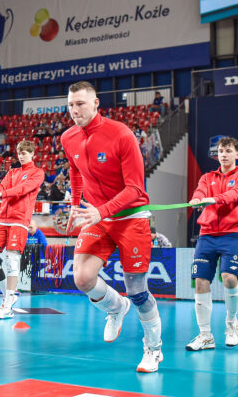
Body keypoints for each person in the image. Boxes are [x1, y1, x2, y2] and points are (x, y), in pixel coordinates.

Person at [61, 81, 163, 373]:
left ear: (96, 103)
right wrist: (75, 205)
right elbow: (75, 171)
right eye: (70, 105)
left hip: (131, 217)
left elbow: (136, 188)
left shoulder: (121, 134)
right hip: (97, 217)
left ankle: (154, 349)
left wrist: (102, 211)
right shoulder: (68, 137)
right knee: (82, 278)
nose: (74, 110)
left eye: (80, 104)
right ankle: (116, 307)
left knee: (138, 292)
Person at [186, 137, 238, 352]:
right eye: (220, 151)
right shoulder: (207, 177)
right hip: (207, 234)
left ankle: (231, 323)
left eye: (228, 151)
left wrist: (215, 199)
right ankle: (205, 336)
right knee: (200, 282)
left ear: (237, 154)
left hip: (232, 234)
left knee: (229, 277)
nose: (223, 155)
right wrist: (197, 199)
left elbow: (236, 194)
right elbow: (200, 191)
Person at [0, 140, 45, 319]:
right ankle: (8, 296)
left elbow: (22, 189)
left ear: (32, 154)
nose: (21, 156)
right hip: (3, 219)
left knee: (11, 261)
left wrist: (0, 194)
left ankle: (7, 306)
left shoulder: (37, 173)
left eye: (24, 153)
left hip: (19, 221)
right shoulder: (12, 172)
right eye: (19, 153)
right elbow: (2, 186)